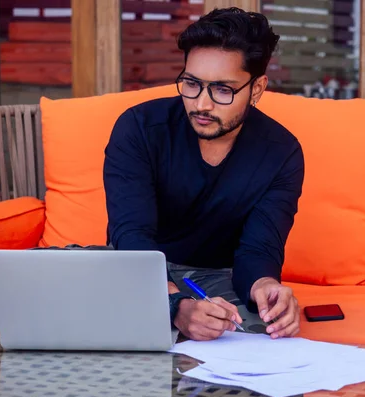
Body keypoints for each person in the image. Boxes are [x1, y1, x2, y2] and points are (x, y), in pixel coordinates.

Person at [103, 7, 305, 342]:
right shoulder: (139, 127)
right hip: (133, 265)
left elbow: (257, 251)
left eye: (223, 90)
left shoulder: (281, 152)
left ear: (257, 89)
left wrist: (266, 286)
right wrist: (172, 303)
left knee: (258, 337)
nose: (202, 105)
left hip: (216, 278)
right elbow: (130, 232)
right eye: (192, 84)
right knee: (40, 283)